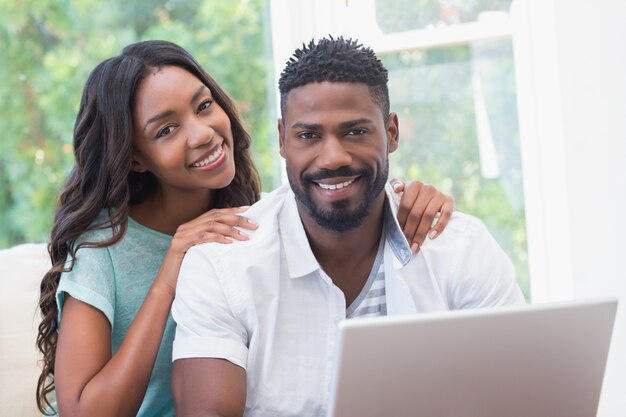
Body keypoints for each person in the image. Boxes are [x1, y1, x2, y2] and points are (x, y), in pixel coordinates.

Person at [35, 40, 454, 417]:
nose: (202, 134)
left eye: (203, 106)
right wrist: (167, 279)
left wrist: (402, 197)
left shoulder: (245, 218)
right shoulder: (102, 248)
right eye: (166, 130)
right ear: (136, 159)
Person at [170, 36, 525, 417]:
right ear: (282, 140)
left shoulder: (459, 248)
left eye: (355, 131)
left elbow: (523, 394)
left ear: (391, 133)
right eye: (309, 135)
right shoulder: (222, 265)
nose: (334, 157)